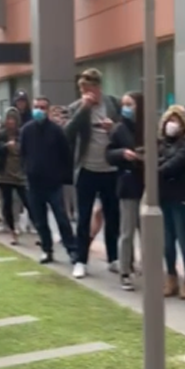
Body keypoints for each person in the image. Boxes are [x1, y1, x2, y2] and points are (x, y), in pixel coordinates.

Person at [65, 68, 121, 279]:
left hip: (111, 169)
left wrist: (113, 128)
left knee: (112, 215)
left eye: (89, 90)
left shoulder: (113, 104)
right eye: (83, 90)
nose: (86, 94)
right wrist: (84, 109)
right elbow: (68, 134)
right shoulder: (76, 108)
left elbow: (124, 131)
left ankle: (113, 257)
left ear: (98, 88)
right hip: (87, 169)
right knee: (83, 217)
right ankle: (81, 260)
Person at [20, 96, 77, 265]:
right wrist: (26, 171)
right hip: (34, 182)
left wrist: (64, 177)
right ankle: (47, 249)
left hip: (53, 183)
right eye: (37, 107)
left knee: (61, 217)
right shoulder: (26, 130)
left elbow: (66, 154)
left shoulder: (57, 131)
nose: (39, 110)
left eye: (43, 107)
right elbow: (23, 154)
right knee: (40, 219)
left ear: (48, 110)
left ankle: (72, 249)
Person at [158, 105, 185, 300]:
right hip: (164, 197)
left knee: (183, 240)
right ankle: (171, 277)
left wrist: (155, 167)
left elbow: (174, 165)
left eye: (176, 120)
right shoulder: (163, 143)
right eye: (169, 120)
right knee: (167, 241)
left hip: (182, 198)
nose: (171, 124)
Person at [107, 92, 146, 291]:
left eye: (130, 104)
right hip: (128, 184)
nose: (126, 108)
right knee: (127, 231)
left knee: (146, 231)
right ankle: (125, 271)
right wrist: (123, 154)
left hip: (147, 186)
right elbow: (109, 154)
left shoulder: (147, 127)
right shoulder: (119, 129)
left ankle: (146, 268)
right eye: (124, 104)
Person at [0, 107, 30, 247]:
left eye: (13, 119)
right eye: (8, 119)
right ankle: (13, 231)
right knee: (7, 205)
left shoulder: (22, 134)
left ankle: (39, 229)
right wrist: (5, 147)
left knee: (28, 202)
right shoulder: (1, 135)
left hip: (21, 174)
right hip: (5, 174)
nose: (10, 122)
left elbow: (28, 151)